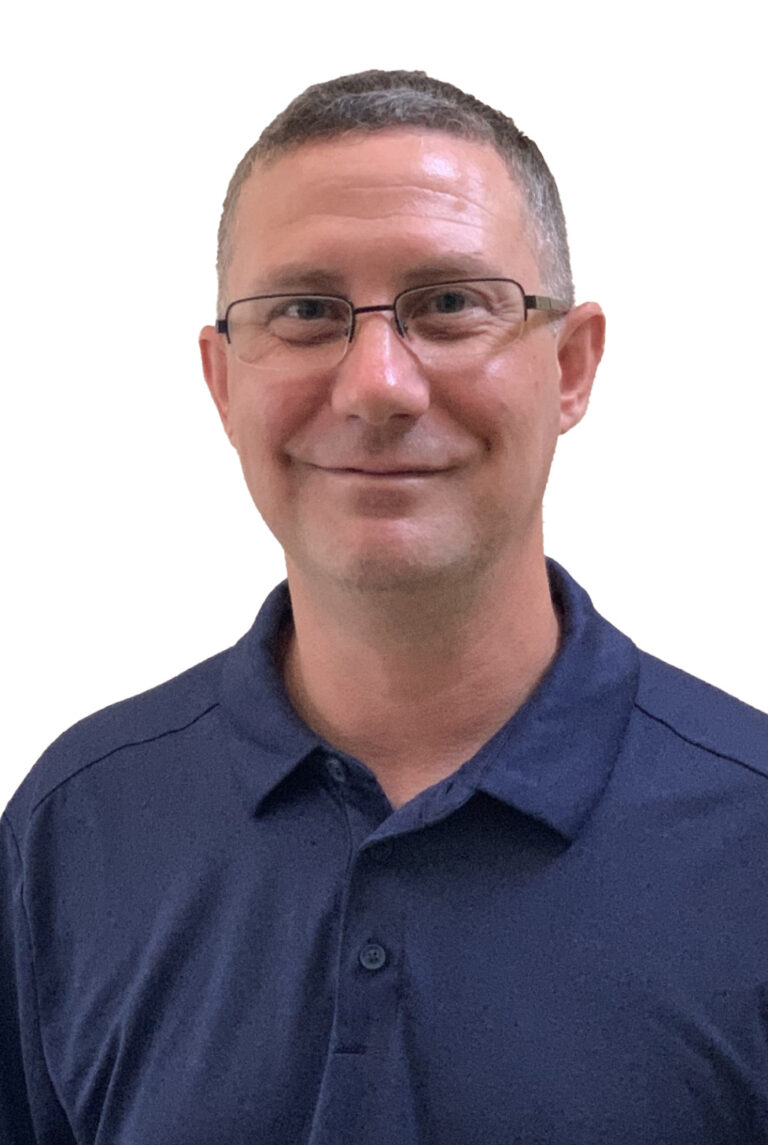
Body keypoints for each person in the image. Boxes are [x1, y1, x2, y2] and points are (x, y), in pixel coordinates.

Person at [2, 69, 767, 1145]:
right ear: (223, 383)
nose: (378, 384)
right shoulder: (73, 831)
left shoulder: (751, 837)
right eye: (307, 312)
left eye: (450, 303)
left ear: (572, 366)